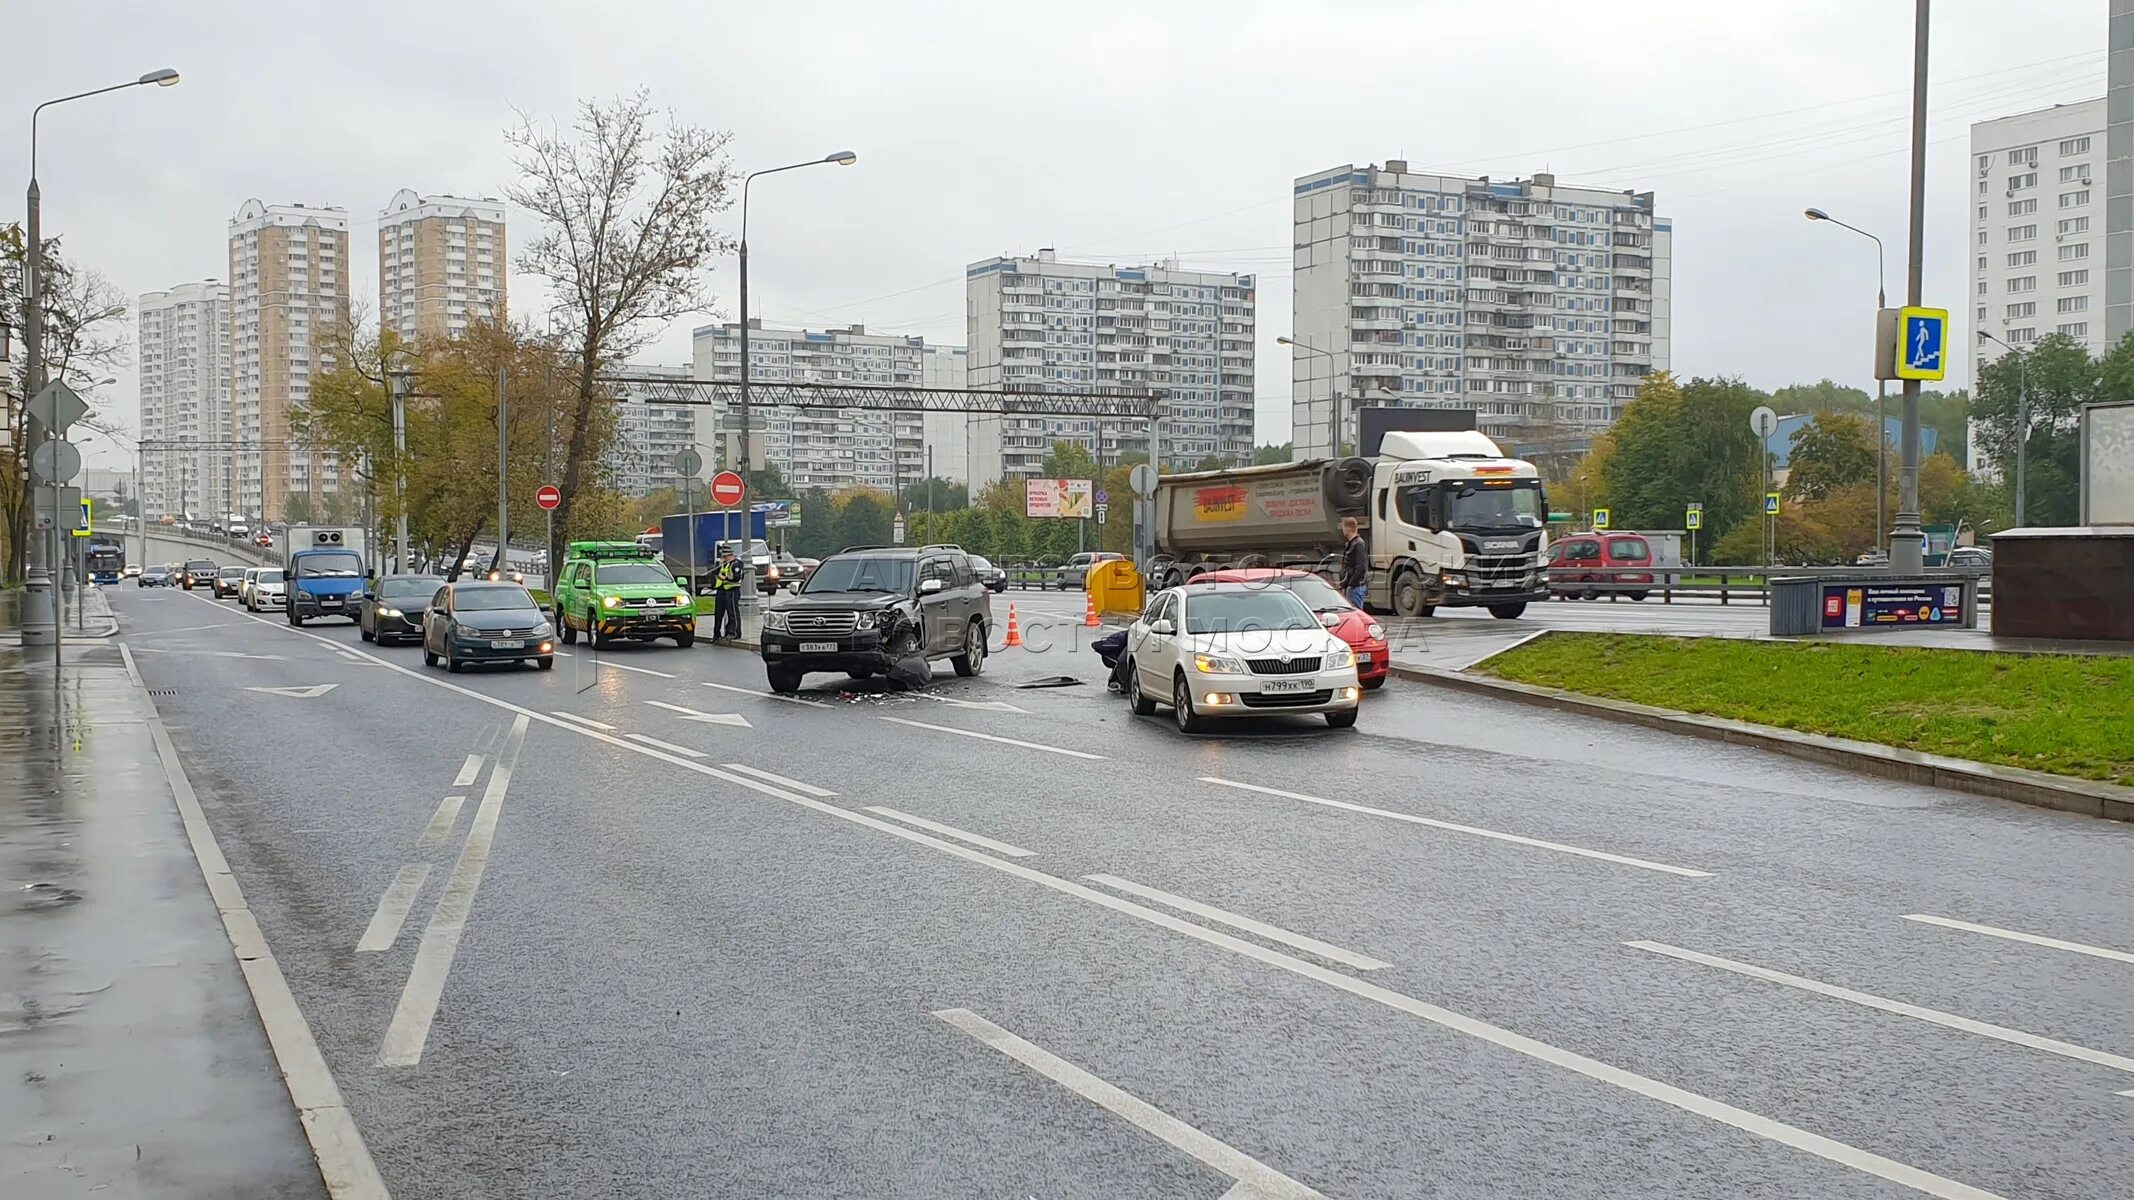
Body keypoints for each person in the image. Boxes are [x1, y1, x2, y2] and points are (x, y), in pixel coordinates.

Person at [711, 545, 742, 640]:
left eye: (725, 557)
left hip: (732, 590)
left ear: (730, 555)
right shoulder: (723, 563)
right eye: (722, 557)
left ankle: (734, 632)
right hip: (721, 590)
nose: (723, 558)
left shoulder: (736, 564)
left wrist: (725, 578)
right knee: (718, 613)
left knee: (732, 612)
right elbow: (714, 572)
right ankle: (717, 633)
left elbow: (736, 578)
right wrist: (719, 564)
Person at [1338, 516, 1369, 610]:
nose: (1342, 530)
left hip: (1355, 587)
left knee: (1356, 613)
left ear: (1348, 528)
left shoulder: (1358, 544)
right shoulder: (1350, 543)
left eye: (1343, 528)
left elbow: (1361, 566)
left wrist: (1352, 584)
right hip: (1350, 586)